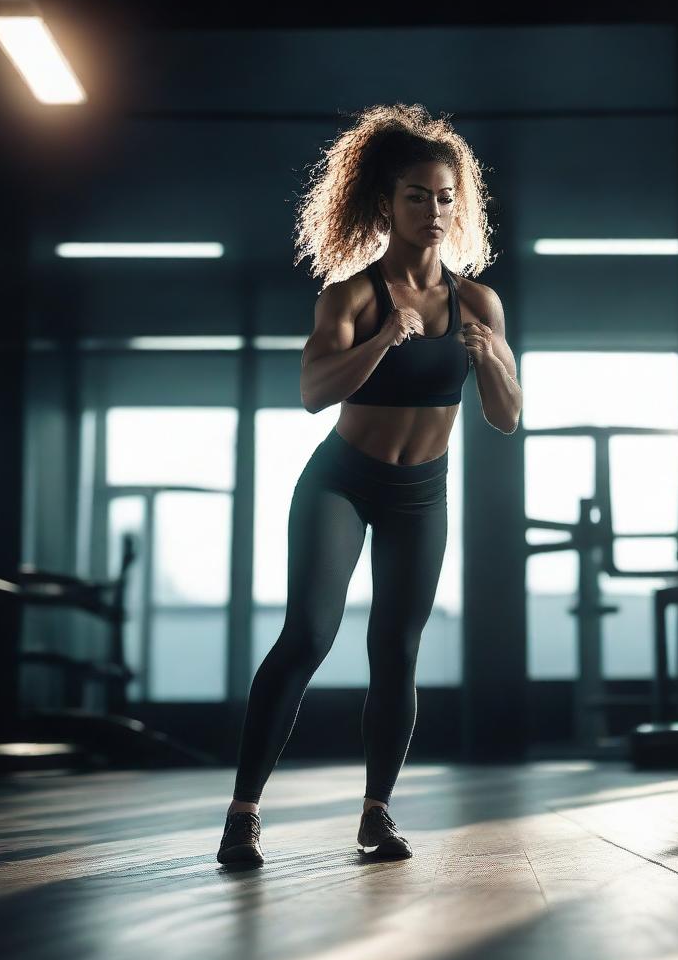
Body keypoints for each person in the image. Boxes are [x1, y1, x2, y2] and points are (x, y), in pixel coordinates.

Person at [217, 102, 522, 866]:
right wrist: (385, 340)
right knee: (309, 637)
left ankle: (377, 812)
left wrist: (488, 360)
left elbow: (508, 417)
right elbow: (315, 391)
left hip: (422, 491)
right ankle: (244, 811)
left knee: (398, 650)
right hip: (342, 484)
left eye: (446, 196)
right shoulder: (351, 297)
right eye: (418, 195)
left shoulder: (477, 302)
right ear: (386, 202)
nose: (434, 209)